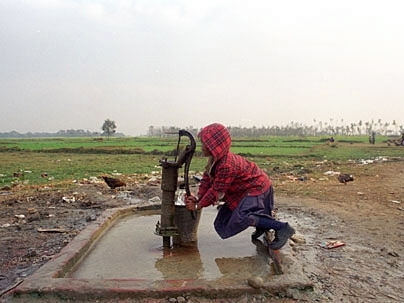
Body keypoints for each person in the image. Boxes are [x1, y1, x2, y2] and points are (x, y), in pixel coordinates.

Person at [185, 123, 295, 250]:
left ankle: (282, 227)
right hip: (247, 188)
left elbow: (216, 191)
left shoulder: (226, 165)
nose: (202, 147)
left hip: (257, 188)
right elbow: (206, 180)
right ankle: (262, 226)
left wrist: (198, 206)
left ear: (214, 146)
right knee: (230, 214)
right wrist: (198, 198)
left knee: (242, 217)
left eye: (205, 144)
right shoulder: (215, 160)